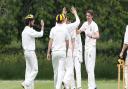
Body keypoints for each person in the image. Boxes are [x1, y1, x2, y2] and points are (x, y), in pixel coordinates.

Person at [77, 9, 100, 89]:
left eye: (89, 16)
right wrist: (72, 26)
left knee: (90, 68)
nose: (87, 17)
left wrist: (91, 36)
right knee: (87, 68)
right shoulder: (85, 24)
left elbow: (98, 36)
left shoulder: (94, 25)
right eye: (86, 16)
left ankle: (91, 87)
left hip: (91, 48)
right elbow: (78, 31)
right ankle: (94, 86)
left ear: (92, 16)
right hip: (86, 48)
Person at [21, 14, 44, 89]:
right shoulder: (29, 30)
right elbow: (41, 34)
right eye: (33, 20)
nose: (34, 21)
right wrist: (42, 26)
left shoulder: (24, 31)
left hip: (26, 52)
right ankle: (26, 83)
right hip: (30, 52)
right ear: (29, 21)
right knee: (35, 70)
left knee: (28, 71)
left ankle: (28, 87)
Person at [47, 14, 69, 89]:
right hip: (62, 52)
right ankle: (57, 87)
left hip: (54, 52)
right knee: (61, 71)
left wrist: (48, 52)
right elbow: (67, 42)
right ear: (63, 20)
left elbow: (50, 41)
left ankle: (56, 87)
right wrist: (66, 50)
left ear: (56, 21)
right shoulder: (65, 29)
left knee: (56, 71)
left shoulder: (53, 29)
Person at [61, 7, 80, 89]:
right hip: (67, 50)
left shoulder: (57, 26)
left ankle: (70, 87)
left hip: (60, 50)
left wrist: (63, 13)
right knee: (70, 68)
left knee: (64, 69)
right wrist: (75, 13)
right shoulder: (67, 27)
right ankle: (65, 81)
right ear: (65, 20)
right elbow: (78, 22)